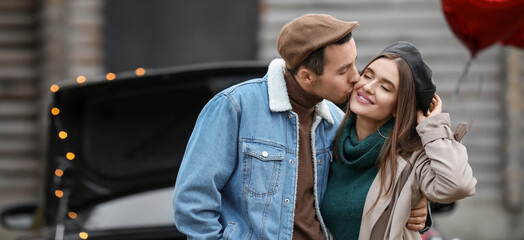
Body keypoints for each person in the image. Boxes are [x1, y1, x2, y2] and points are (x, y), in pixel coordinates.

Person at [173, 14, 428, 239]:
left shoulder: (337, 123)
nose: (357, 77)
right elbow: (193, 201)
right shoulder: (235, 108)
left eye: (354, 62)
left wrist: (418, 206)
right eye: (343, 70)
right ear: (306, 76)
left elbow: (379, 183)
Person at [320, 41, 477, 240]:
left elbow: (457, 185)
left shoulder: (411, 158)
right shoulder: (327, 137)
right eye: (367, 75)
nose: (367, 87)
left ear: (398, 108)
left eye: (385, 87)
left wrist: (435, 128)